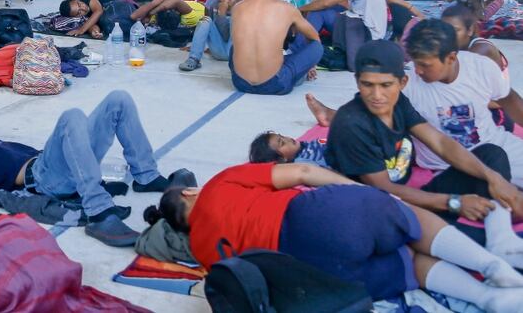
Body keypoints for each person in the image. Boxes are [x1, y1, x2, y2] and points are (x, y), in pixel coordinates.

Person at [146, 161, 523, 308]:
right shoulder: (216, 183)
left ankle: (487, 300)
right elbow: (302, 174)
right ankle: (491, 264)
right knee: (407, 217)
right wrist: (356, 193)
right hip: (310, 221)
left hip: (313, 276)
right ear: (190, 193)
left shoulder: (201, 250)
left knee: (407, 263)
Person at [0, 92, 175, 247]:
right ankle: (98, 209)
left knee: (118, 100)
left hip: (60, 165)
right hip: (43, 177)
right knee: (71, 116)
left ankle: (145, 175)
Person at [316, 40, 523, 253]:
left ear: (402, 82)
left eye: (386, 85)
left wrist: (493, 178)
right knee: (474, 241)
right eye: (368, 84)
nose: (377, 96)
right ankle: (497, 241)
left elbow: (440, 143)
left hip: (412, 196)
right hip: (381, 209)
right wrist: (454, 202)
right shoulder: (352, 124)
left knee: (492, 155)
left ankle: (501, 238)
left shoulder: (398, 103)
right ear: (357, 82)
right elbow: (383, 190)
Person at [404, 19, 523, 188]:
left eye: (424, 65)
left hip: (496, 147)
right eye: (415, 63)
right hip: (447, 166)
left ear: (451, 57)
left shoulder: (481, 67)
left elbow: (509, 99)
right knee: (498, 203)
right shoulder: (406, 82)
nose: (418, 70)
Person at [229, 0, 323, 95]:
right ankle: (298, 76)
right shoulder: (288, 9)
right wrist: (309, 65)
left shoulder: (237, 8)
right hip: (275, 84)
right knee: (317, 47)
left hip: (240, 83)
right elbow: (314, 37)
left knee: (236, 47)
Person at [180, 0, 240, 72]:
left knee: (236, 19)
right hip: (217, 50)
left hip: (235, 52)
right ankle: (193, 59)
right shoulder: (214, 6)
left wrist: (222, 14)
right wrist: (198, 44)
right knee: (205, 20)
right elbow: (211, 29)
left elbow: (229, 35)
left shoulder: (242, 9)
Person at [249, 131, 327, 167]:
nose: (287, 139)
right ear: (281, 160)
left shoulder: (303, 145)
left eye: (282, 136)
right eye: (282, 143)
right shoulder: (302, 161)